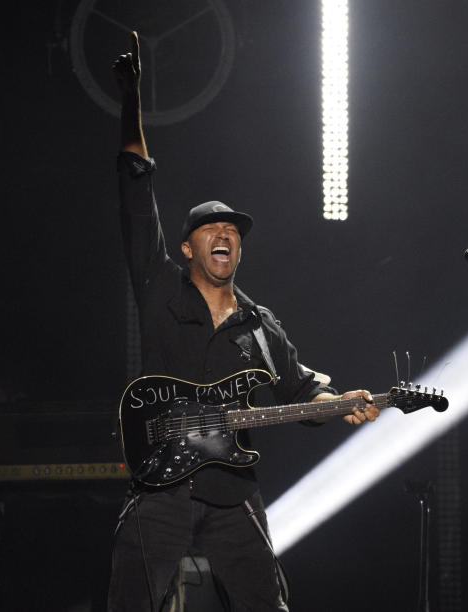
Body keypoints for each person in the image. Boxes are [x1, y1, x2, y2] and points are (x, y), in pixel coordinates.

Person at [108, 32, 379, 611]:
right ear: (187, 248)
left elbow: (298, 386)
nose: (226, 233)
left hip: (233, 495)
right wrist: (132, 100)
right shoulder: (159, 288)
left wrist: (343, 401)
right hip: (161, 488)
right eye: (212, 228)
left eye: (233, 230)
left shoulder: (261, 324)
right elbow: (135, 189)